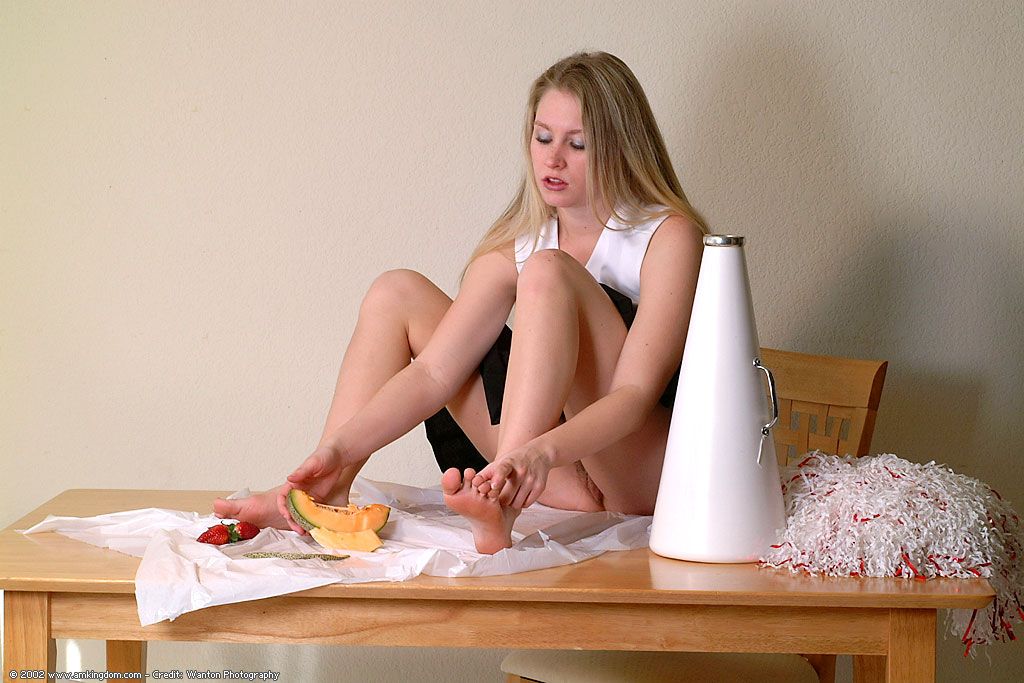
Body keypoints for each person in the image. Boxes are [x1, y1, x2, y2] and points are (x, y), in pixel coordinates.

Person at [214, 51, 707, 554]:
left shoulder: (668, 236)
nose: (553, 159)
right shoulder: (517, 243)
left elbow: (633, 395)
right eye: (543, 138)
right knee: (396, 292)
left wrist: (537, 454)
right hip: (554, 478)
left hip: (637, 476)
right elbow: (434, 373)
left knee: (547, 271)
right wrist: (339, 448)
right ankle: (322, 491)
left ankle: (504, 499)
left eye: (577, 144)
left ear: (621, 148)